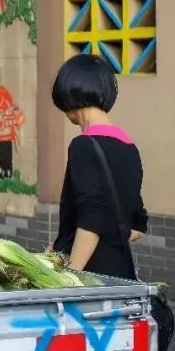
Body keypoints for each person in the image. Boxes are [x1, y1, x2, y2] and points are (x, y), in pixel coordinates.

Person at [50, 54, 147, 279]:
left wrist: (68, 276)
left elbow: (90, 223)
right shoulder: (129, 146)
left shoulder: (83, 146)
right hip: (122, 274)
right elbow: (137, 226)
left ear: (69, 93)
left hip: (93, 279)